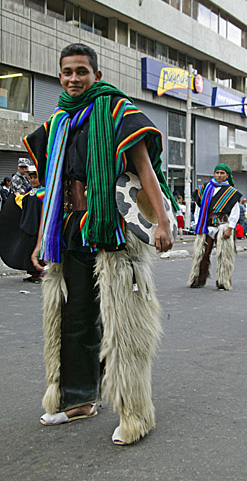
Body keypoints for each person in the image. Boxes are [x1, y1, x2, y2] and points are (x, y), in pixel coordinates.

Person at [23, 43, 175, 445]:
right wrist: (41, 241)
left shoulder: (117, 112)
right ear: (60, 76)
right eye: (67, 72)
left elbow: (144, 169)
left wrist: (162, 222)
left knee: (122, 323)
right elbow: (52, 190)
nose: (74, 78)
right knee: (73, 318)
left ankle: (134, 414)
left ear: (96, 74)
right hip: (71, 228)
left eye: (82, 71)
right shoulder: (57, 121)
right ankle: (78, 400)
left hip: (113, 229)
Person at [188, 164, 242, 290]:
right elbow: (198, 208)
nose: (219, 175)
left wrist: (230, 228)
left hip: (222, 225)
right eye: (217, 172)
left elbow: (235, 212)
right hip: (206, 226)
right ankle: (199, 279)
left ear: (227, 175)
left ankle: (223, 281)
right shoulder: (204, 189)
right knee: (202, 254)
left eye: (222, 173)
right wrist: (197, 224)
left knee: (224, 255)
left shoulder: (231, 192)